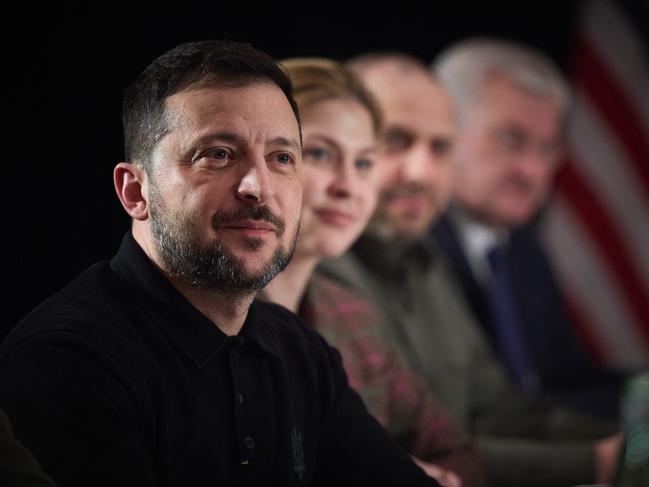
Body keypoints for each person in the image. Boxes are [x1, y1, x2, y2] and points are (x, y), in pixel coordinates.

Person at [0, 41, 439, 487]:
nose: (258, 187)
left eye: (281, 158)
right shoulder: (66, 358)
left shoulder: (302, 354)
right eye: (218, 154)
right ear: (135, 191)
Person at [320, 52, 621, 487]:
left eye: (440, 147)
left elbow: (498, 409)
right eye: (394, 141)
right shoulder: (318, 276)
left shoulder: (425, 260)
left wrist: (625, 446)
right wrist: (603, 462)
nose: (420, 172)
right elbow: (393, 454)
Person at [262, 57, 488, 487]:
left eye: (365, 163)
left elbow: (457, 448)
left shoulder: (350, 312)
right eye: (321, 154)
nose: (349, 186)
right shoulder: (216, 316)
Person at [431, 37, 623, 417]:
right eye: (510, 140)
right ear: (443, 131)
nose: (533, 171)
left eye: (548, 147)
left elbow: (568, 379)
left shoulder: (521, 247)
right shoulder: (409, 252)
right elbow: (470, 416)